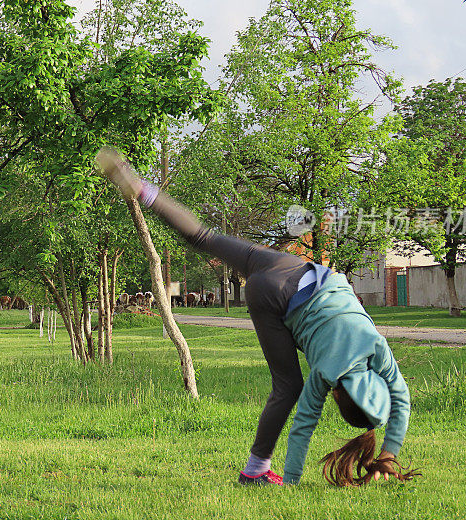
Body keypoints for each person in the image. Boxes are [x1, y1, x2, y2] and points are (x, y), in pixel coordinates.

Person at [95, 147, 420, 487]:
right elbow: (302, 430)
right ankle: (254, 470)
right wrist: (293, 483)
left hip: (292, 268)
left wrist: (390, 451)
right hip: (273, 297)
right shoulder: (326, 376)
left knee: (204, 237)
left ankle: (144, 189)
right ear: (339, 396)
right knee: (288, 386)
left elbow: (401, 395)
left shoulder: (376, 346)